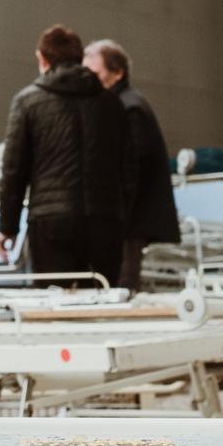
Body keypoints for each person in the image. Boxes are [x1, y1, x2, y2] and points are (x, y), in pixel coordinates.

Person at [0, 24, 134, 285]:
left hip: (51, 221)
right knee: (102, 304)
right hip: (104, 221)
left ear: (42, 58)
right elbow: (128, 167)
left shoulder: (27, 101)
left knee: (54, 306)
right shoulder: (112, 103)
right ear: (79, 58)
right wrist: (120, 216)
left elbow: (14, 170)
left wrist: (8, 227)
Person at [84, 39, 180, 289]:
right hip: (124, 214)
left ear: (117, 73)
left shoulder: (129, 107)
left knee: (122, 282)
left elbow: (133, 166)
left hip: (129, 217)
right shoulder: (122, 104)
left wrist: (114, 210)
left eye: (95, 72)